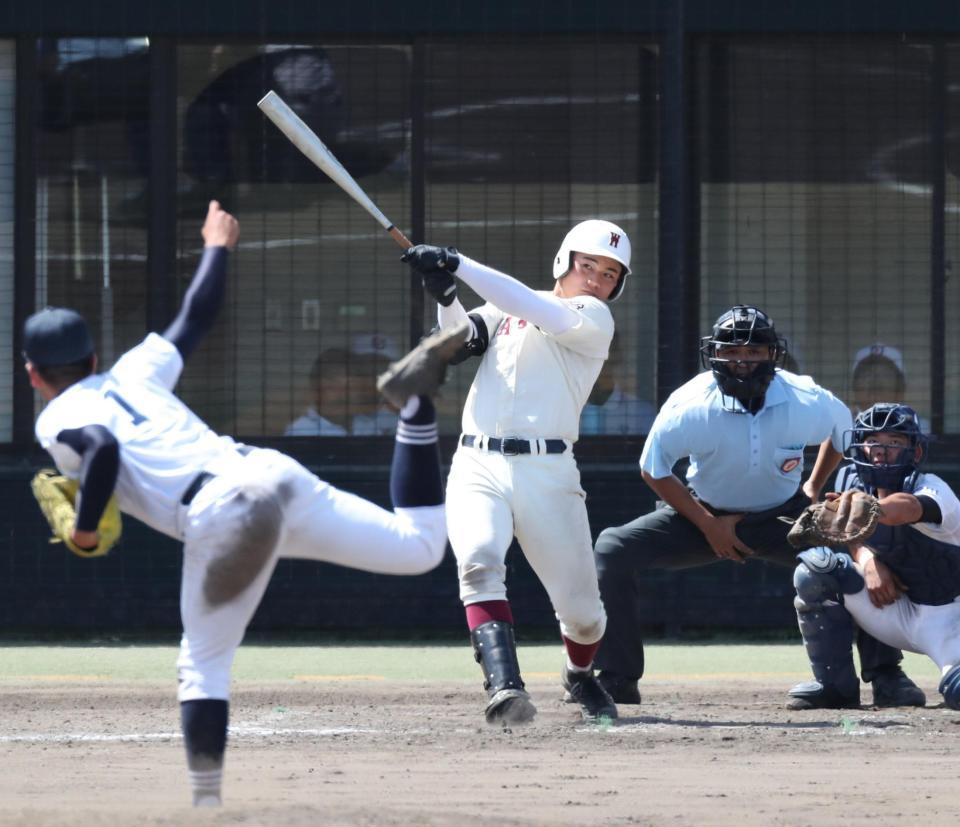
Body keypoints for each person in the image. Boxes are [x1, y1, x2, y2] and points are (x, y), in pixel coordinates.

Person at [23, 201, 462, 807]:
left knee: (202, 664)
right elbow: (196, 316)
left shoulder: (58, 417)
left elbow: (99, 450)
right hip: (267, 473)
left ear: (32, 374)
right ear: (93, 360)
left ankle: (206, 809)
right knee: (419, 550)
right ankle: (414, 411)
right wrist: (216, 246)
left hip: (222, 514)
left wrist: (86, 528)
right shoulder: (132, 372)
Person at [592, 306, 924, 708]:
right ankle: (617, 678)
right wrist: (708, 523)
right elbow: (653, 468)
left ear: (773, 355)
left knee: (860, 557)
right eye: (731, 353)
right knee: (612, 548)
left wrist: (813, 488)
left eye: (753, 352)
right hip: (702, 516)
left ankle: (886, 674)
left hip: (783, 517)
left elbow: (843, 434)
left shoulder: (806, 399)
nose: (742, 362)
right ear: (713, 355)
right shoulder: (690, 405)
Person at [401, 219, 632, 723]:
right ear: (565, 262)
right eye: (587, 264)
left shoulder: (593, 319)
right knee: (479, 559)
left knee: (585, 618)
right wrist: (445, 295)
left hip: (548, 470)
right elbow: (455, 345)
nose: (595, 278)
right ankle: (504, 687)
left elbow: (532, 306)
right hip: (477, 460)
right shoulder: (504, 305)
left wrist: (457, 263)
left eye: (609, 273)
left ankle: (578, 674)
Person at [787, 403, 958, 710]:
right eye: (872, 441)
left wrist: (873, 509)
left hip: (948, 620)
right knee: (816, 570)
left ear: (914, 453)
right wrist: (867, 561)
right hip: (892, 610)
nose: (881, 450)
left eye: (894, 442)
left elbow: (908, 508)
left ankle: (891, 678)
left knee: (957, 690)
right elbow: (853, 535)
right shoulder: (848, 481)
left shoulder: (933, 488)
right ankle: (835, 687)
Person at [285, 337, 398, 436]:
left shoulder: (368, 425)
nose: (343, 392)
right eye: (333, 382)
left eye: (350, 383)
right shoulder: (302, 430)